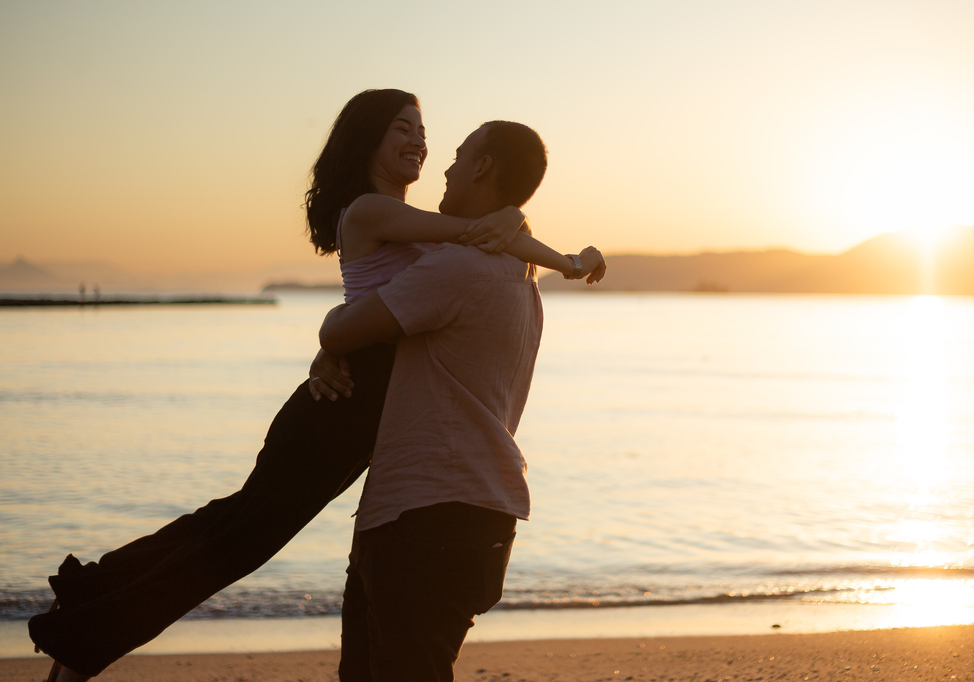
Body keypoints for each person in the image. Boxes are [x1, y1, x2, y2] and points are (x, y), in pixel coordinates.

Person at [29, 90, 604, 682]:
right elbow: (480, 235)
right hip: (341, 407)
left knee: (229, 527)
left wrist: (562, 258)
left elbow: (479, 241)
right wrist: (514, 223)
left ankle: (85, 611)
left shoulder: (435, 234)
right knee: (235, 540)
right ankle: (82, 634)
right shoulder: (370, 211)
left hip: (367, 404)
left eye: (422, 130)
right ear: (369, 141)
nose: (420, 142)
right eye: (401, 129)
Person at [316, 118, 552, 681]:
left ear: (482, 166)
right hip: (480, 515)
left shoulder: (456, 268)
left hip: (424, 518)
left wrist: (326, 342)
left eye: (458, 154)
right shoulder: (523, 273)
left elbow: (342, 331)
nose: (443, 168)